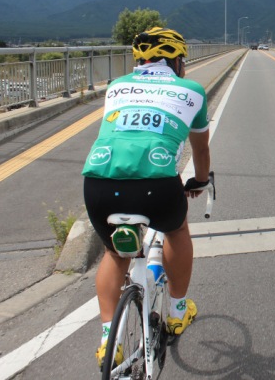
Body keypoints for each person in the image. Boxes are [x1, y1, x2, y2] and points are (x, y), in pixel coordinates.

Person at [82, 27, 211, 369]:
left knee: (114, 252)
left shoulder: (116, 86)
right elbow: (200, 148)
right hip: (156, 186)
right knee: (176, 231)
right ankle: (178, 313)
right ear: (176, 60)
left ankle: (110, 339)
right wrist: (199, 180)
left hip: (97, 183)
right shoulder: (192, 91)